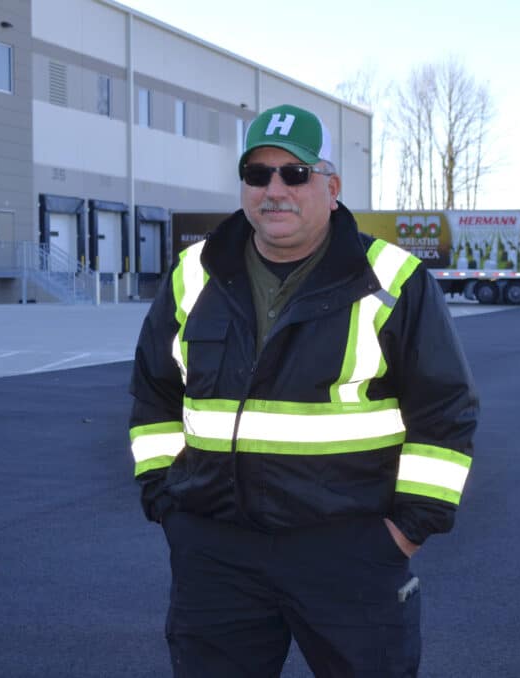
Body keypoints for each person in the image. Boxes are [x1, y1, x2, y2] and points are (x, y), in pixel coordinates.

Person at [128, 103, 478, 677]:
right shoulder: (193, 275)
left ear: (331, 187)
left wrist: (406, 531)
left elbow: (445, 412)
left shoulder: (392, 280)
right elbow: (154, 394)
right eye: (257, 175)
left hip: (350, 552)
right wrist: (166, 503)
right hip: (216, 553)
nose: (275, 191)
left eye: (294, 174)